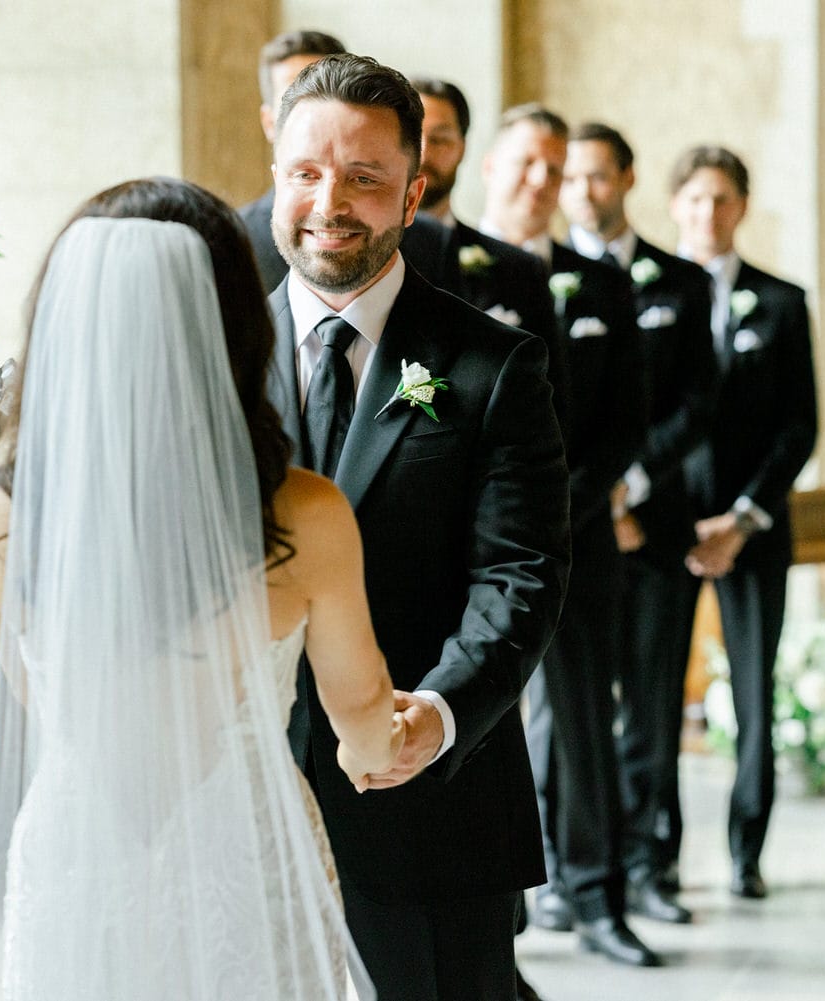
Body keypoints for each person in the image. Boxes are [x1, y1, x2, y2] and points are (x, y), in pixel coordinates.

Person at [0, 177, 407, 1000]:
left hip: (79, 852)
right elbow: (363, 716)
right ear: (235, 328)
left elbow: (36, 694)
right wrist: (388, 739)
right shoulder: (305, 513)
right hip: (245, 852)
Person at [266, 55, 570, 1000]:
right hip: (250, 809)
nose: (330, 201)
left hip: (435, 811)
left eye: (364, 177)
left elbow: (521, 575)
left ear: (413, 194)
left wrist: (434, 717)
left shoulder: (492, 366)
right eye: (306, 172)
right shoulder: (209, 359)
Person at [478, 103, 655, 968]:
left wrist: (570, 504)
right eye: (528, 165)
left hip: (579, 536)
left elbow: (627, 416)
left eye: (557, 168)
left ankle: (597, 896)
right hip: (476, 552)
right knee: (485, 729)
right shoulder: (449, 269)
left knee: (587, 721)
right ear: (489, 167)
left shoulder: (600, 283)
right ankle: (498, 917)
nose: (543, 183)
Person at [560, 121, 717, 925]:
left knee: (653, 702)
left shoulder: (682, 283)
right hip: (577, 526)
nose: (584, 192)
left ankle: (651, 863)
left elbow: (699, 401)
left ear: (626, 178)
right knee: (571, 710)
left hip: (655, 523)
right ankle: (573, 868)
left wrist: (636, 477)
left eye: (598, 176)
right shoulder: (542, 279)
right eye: (571, 178)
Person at [669, 144, 818, 899]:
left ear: (742, 207)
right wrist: (682, 519)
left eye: (722, 199)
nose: (708, 213)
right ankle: (657, 851)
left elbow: (801, 426)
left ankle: (745, 851)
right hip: (667, 530)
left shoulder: (782, 302)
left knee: (753, 695)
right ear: (674, 207)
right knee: (657, 694)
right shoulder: (645, 295)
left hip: (752, 530)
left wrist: (742, 517)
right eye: (695, 199)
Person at [408, 76, 566, 434]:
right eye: (412, 134)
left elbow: (550, 403)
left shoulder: (520, 268)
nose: (423, 150)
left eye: (440, 138)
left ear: (464, 148)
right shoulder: (357, 256)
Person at [240, 30, 452, 295]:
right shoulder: (228, 334)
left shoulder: (437, 246)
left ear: (410, 200)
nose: (328, 207)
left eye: (363, 179)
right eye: (306, 175)